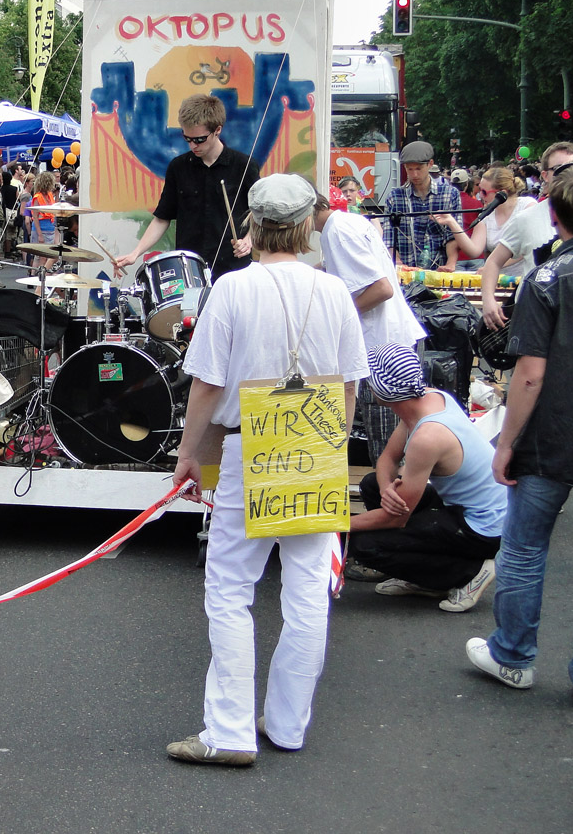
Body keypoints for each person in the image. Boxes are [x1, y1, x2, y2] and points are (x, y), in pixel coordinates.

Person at [167, 174, 367, 764]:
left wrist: (187, 454)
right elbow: (351, 385)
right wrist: (335, 447)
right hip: (317, 440)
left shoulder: (232, 288)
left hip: (248, 442)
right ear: (307, 226)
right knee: (308, 589)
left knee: (230, 589)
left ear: (252, 225)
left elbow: (206, 385)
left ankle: (227, 733)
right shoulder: (334, 290)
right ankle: (286, 725)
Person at [466, 166, 573, 709]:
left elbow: (529, 373)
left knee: (524, 550)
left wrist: (506, 444)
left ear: (554, 216)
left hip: (551, 435)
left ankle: (513, 656)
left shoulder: (545, 279)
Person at [347, 344, 507, 612]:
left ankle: (469, 572)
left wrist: (335, 524)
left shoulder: (428, 436)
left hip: (484, 529)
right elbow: (388, 458)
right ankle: (415, 569)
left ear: (384, 390)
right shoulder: (429, 398)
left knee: (365, 547)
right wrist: (387, 491)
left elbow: (397, 517)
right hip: (469, 508)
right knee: (372, 485)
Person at [312, 188, 425, 466]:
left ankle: (392, 506)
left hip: (382, 351)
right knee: (396, 452)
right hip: (394, 341)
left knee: (388, 458)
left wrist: (338, 319)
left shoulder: (337, 232)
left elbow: (381, 289)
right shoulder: (347, 222)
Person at [114, 94, 259, 282]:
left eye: (199, 139)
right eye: (187, 139)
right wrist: (135, 253)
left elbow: (260, 213)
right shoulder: (178, 167)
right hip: (189, 270)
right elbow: (162, 218)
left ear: (217, 130)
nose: (193, 145)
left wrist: (248, 240)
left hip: (234, 270)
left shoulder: (244, 166)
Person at [480, 142, 573, 330]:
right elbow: (493, 262)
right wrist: (488, 300)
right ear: (545, 175)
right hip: (534, 319)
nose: (569, 174)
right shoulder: (527, 217)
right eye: (560, 169)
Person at [432, 166, 536, 272]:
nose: (479, 195)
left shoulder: (527, 206)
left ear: (502, 193)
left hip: (526, 278)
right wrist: (451, 222)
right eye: (480, 189)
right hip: (499, 282)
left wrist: (493, 265)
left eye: (484, 192)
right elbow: (473, 250)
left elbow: (526, 249)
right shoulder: (486, 215)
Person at [382, 141, 462, 270]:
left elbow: (452, 234)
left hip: (439, 269)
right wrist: (398, 263)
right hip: (407, 269)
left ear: (430, 164)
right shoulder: (394, 197)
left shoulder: (450, 193)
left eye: (419, 169)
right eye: (410, 169)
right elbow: (389, 237)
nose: (414, 175)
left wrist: (451, 263)